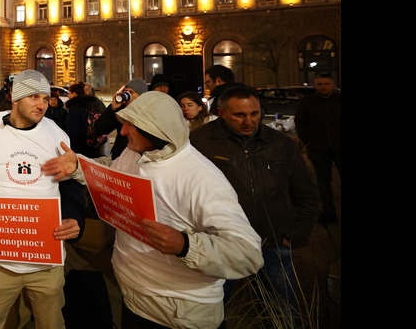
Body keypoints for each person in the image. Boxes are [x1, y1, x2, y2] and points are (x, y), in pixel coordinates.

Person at [45, 91, 263, 328]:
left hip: (178, 313)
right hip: (132, 297)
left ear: (156, 131)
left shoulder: (203, 179)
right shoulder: (135, 151)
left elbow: (248, 254)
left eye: (131, 125)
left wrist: (185, 245)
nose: (124, 131)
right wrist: (80, 165)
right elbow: (114, 172)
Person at [0, 70, 85, 329]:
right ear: (15, 98)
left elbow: (69, 187)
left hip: (46, 259)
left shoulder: (56, 135)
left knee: (52, 323)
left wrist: (74, 217)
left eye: (45, 98)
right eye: (34, 97)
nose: (42, 105)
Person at [191, 85, 320, 312]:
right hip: (221, 244)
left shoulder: (281, 143)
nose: (248, 121)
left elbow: (307, 193)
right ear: (221, 113)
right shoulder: (199, 142)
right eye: (239, 115)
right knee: (212, 312)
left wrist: (293, 235)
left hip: (274, 242)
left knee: (281, 310)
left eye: (254, 113)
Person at [294, 73, 341, 224]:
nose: (323, 87)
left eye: (326, 83)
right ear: (315, 86)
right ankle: (329, 213)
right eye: (320, 84)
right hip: (318, 148)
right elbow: (300, 120)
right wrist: (306, 139)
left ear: (333, 84)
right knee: (323, 182)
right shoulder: (307, 101)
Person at [93, 78, 148, 160]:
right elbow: (100, 129)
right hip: (119, 157)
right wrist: (112, 109)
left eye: (131, 92)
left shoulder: (147, 112)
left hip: (138, 159)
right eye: (126, 91)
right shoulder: (121, 109)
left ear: (141, 96)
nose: (127, 95)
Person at [65, 81, 108, 158]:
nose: (68, 96)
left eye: (69, 93)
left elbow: (72, 131)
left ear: (74, 94)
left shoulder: (74, 108)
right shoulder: (93, 103)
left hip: (79, 148)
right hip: (93, 145)